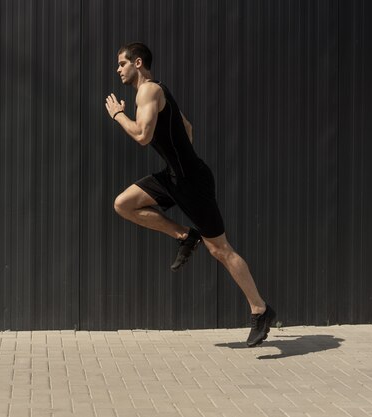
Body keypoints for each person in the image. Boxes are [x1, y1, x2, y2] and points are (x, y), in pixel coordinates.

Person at [104, 42, 276, 347]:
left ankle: (260, 309)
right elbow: (187, 126)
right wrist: (180, 158)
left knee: (221, 250)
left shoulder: (148, 91)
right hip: (175, 176)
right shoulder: (158, 91)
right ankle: (185, 236)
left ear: (138, 62)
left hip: (192, 183)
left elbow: (143, 136)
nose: (118, 69)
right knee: (124, 204)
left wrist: (118, 115)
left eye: (121, 63)